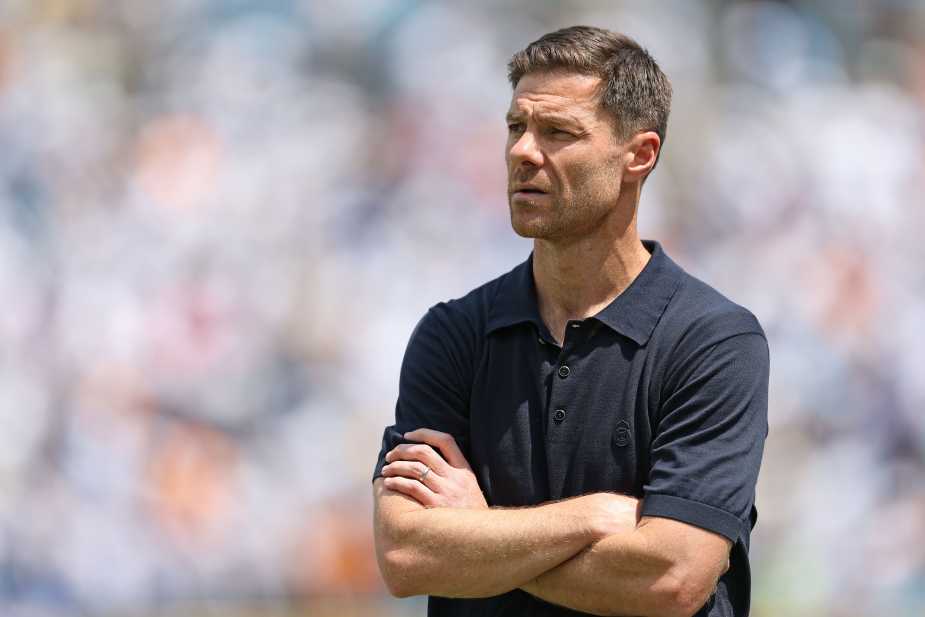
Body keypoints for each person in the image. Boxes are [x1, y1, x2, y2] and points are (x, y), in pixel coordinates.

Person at [371, 25, 769, 617]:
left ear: (640, 155)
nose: (522, 152)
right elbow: (405, 556)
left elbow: (672, 579)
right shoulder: (453, 334)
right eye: (515, 127)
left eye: (557, 132)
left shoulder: (713, 341)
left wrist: (478, 534)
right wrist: (592, 518)